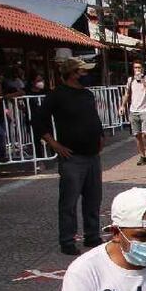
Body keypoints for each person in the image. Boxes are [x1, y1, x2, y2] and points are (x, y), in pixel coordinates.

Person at [32, 57, 105, 255]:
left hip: (92, 156)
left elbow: (93, 118)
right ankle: (67, 241)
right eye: (82, 72)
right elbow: (38, 121)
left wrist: (100, 136)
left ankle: (92, 236)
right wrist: (55, 145)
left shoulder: (87, 94)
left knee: (93, 199)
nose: (86, 75)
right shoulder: (57, 95)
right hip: (72, 158)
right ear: (72, 74)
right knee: (69, 202)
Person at [122, 61, 146, 165]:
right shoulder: (130, 80)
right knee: (137, 135)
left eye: (139, 68)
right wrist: (122, 106)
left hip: (145, 110)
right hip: (133, 110)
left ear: (143, 69)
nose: (137, 70)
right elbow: (126, 94)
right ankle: (142, 156)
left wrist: (143, 81)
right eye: (135, 68)